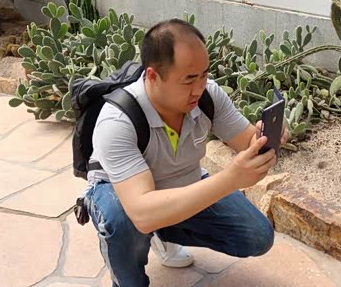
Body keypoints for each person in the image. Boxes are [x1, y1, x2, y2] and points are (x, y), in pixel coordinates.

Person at [84, 19, 288, 287]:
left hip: (182, 183)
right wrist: (230, 179)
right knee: (122, 221)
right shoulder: (117, 121)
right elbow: (142, 212)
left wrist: (265, 138)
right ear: (153, 76)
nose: (200, 87)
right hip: (122, 192)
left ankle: (163, 232)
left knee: (257, 236)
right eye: (189, 79)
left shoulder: (207, 96)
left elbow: (246, 140)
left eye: (204, 74)